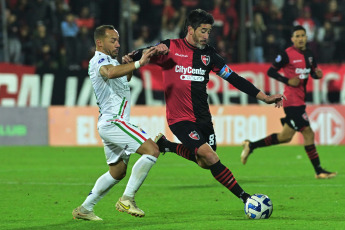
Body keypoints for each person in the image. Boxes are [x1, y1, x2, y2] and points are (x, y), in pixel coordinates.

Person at [126, 9, 285, 206]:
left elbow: (234, 78)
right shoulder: (170, 47)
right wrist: (133, 56)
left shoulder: (209, 56)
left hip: (203, 118)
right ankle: (247, 199)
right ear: (190, 29)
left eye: (209, 31)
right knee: (210, 156)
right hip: (180, 119)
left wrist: (265, 97)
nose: (206, 36)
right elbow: (142, 53)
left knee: (204, 162)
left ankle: (167, 145)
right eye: (203, 31)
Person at [72, 25, 165, 221]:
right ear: (100, 42)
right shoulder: (99, 61)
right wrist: (139, 63)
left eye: (118, 40)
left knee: (117, 172)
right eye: (113, 40)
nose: (118, 44)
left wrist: (128, 64)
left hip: (111, 123)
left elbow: (122, 78)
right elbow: (110, 73)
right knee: (152, 150)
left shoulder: (112, 62)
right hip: (114, 122)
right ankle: (127, 199)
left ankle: (85, 209)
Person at [241, 25, 337, 179]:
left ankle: (251, 145)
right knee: (308, 132)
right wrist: (286, 80)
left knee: (285, 137)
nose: (300, 38)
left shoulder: (310, 54)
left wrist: (317, 74)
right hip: (291, 102)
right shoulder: (286, 54)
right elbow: (271, 71)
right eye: (297, 36)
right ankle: (319, 171)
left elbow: (313, 72)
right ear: (292, 39)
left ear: (307, 37)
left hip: (300, 100)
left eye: (302, 35)